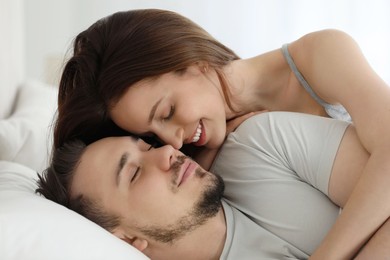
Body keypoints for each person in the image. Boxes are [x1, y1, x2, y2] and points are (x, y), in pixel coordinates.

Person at [53, 9, 390, 258]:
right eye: (151, 134)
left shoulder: (320, 55)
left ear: (194, 60)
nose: (172, 143)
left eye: (167, 113)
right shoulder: (208, 148)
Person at [37, 112, 388, 259]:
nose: (168, 153)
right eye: (134, 173)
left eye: (148, 146)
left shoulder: (260, 144)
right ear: (127, 239)